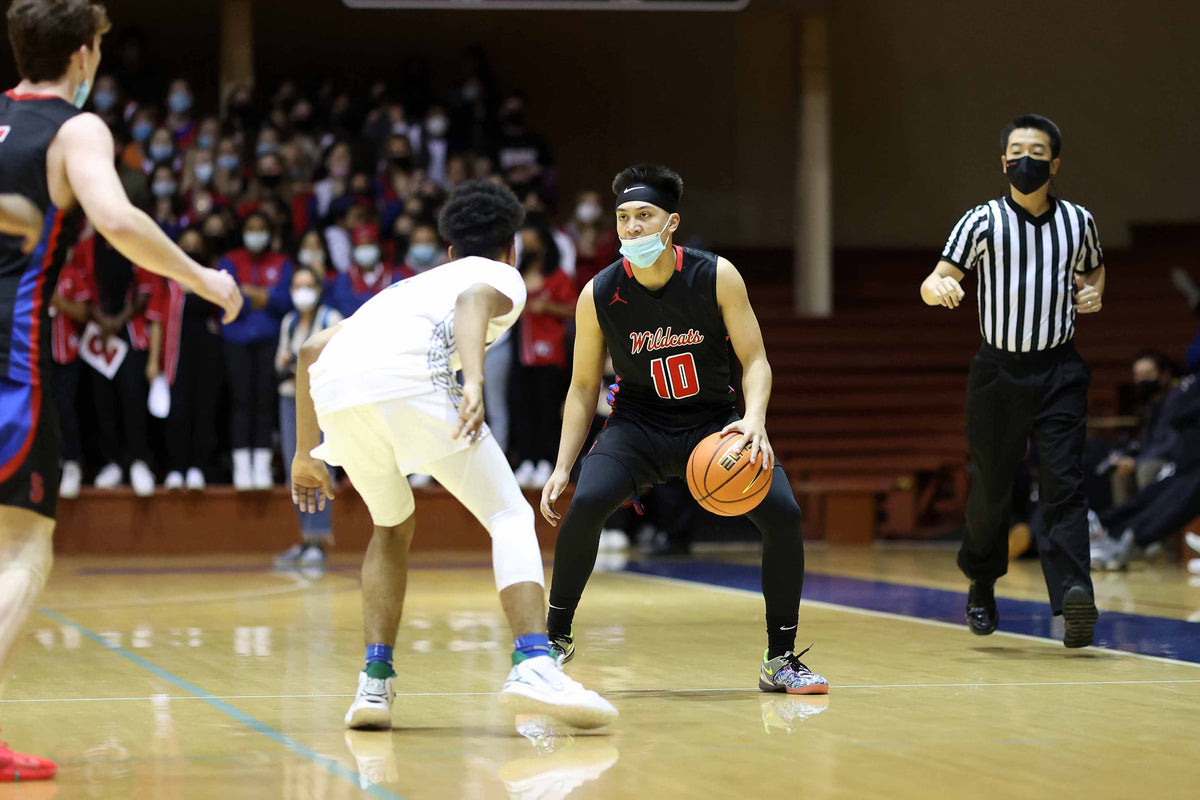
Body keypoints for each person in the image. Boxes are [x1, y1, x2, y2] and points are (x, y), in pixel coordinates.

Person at [0, 0, 240, 780]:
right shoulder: (77, 129)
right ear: (81, 55)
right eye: (98, 46)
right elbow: (119, 221)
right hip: (14, 362)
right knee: (23, 544)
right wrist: (204, 279)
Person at [289, 180, 616, 731]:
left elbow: (310, 349)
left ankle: (374, 685)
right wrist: (473, 379)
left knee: (391, 527)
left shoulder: (402, 291)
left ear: (446, 252)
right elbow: (472, 302)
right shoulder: (499, 275)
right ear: (510, 248)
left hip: (340, 394)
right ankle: (535, 661)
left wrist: (304, 452)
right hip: (414, 385)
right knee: (509, 514)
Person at [539, 164, 829, 695]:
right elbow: (582, 389)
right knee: (586, 504)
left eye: (643, 217)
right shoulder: (598, 293)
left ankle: (780, 657)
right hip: (637, 425)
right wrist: (562, 465)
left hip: (714, 425)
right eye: (623, 218)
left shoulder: (716, 275)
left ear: (671, 223)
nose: (631, 228)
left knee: (784, 515)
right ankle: (553, 640)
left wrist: (755, 421)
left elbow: (756, 360)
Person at [921, 114, 1105, 647]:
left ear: (1055, 163)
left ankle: (1074, 594)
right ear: (1004, 162)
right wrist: (940, 290)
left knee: (1065, 484)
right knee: (991, 488)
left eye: (1038, 150)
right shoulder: (981, 222)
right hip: (998, 373)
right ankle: (981, 581)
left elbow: (1093, 270)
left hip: (1060, 370)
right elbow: (937, 278)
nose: (1027, 159)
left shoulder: (1079, 221)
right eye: (1018, 150)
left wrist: (1094, 293)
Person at [218, 211, 293, 490]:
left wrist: (253, 294)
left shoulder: (281, 262)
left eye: (261, 228)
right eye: (250, 227)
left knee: (263, 400)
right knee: (240, 401)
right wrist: (261, 297)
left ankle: (260, 466)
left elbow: (285, 301)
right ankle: (241, 466)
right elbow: (229, 299)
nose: (255, 233)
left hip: (269, 339)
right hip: (236, 339)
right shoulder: (230, 260)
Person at [146, 228, 224, 490]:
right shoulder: (166, 279)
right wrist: (152, 359)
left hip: (205, 353)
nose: (191, 249)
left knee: (203, 408)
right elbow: (156, 321)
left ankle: (197, 468)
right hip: (174, 354)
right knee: (177, 410)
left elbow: (222, 312)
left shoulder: (209, 279)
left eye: (196, 244)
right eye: (186, 244)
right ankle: (176, 468)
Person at [274, 265, 341, 567]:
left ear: (317, 289)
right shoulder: (288, 322)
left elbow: (338, 364)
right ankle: (304, 539)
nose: (302, 292)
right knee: (297, 465)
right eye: (297, 285)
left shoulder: (331, 319)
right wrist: (291, 366)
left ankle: (318, 540)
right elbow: (280, 363)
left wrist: (297, 367)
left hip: (322, 404)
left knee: (319, 466)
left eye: (308, 285)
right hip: (291, 401)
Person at [509, 220, 575, 489]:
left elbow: (573, 309)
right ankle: (527, 460)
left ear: (546, 247)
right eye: (525, 245)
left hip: (550, 355)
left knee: (547, 408)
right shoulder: (515, 277)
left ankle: (547, 461)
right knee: (522, 406)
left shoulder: (558, 277)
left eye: (533, 244)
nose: (529, 249)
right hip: (521, 354)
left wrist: (546, 306)